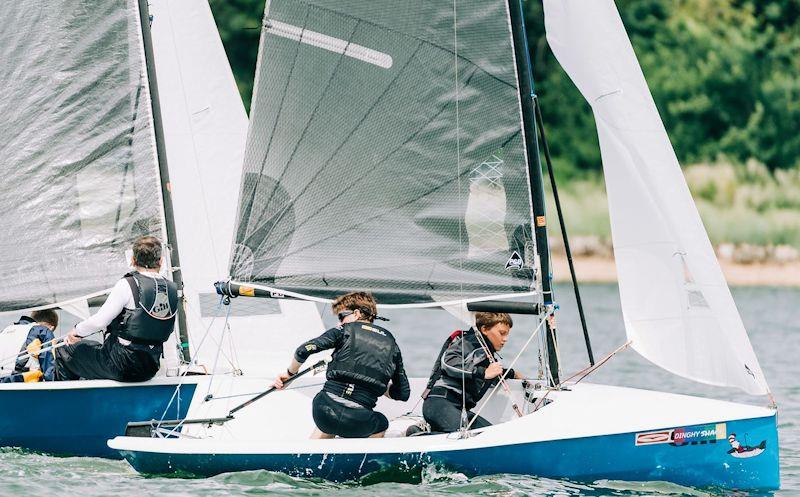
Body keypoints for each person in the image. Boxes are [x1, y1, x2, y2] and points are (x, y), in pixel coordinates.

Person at [273, 292, 410, 439]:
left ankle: (310, 454)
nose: (339, 323)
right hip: (358, 422)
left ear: (357, 313)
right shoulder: (392, 345)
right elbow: (402, 394)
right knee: (381, 423)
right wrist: (375, 381)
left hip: (324, 411)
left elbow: (303, 351)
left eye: (341, 317)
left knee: (330, 409)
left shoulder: (344, 331)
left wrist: (290, 375)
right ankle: (365, 459)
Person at [54, 236, 178, 382]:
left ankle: (69, 402)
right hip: (150, 366)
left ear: (133, 260)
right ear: (161, 261)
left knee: (63, 351)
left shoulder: (128, 284)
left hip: (121, 364)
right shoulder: (171, 288)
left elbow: (99, 322)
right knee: (91, 346)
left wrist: (76, 331)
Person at [422, 312, 524, 433]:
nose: (505, 339)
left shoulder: (486, 354)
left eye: (507, 334)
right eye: (502, 333)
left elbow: (489, 376)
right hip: (440, 403)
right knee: (473, 438)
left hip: (459, 409)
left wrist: (512, 374)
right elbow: (448, 361)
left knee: (493, 436)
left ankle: (425, 433)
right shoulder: (469, 342)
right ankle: (417, 435)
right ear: (484, 329)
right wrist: (482, 372)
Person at [0, 310, 59, 383]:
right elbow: (49, 367)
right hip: (24, 384)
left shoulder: (4, 331)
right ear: (51, 327)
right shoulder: (44, 331)